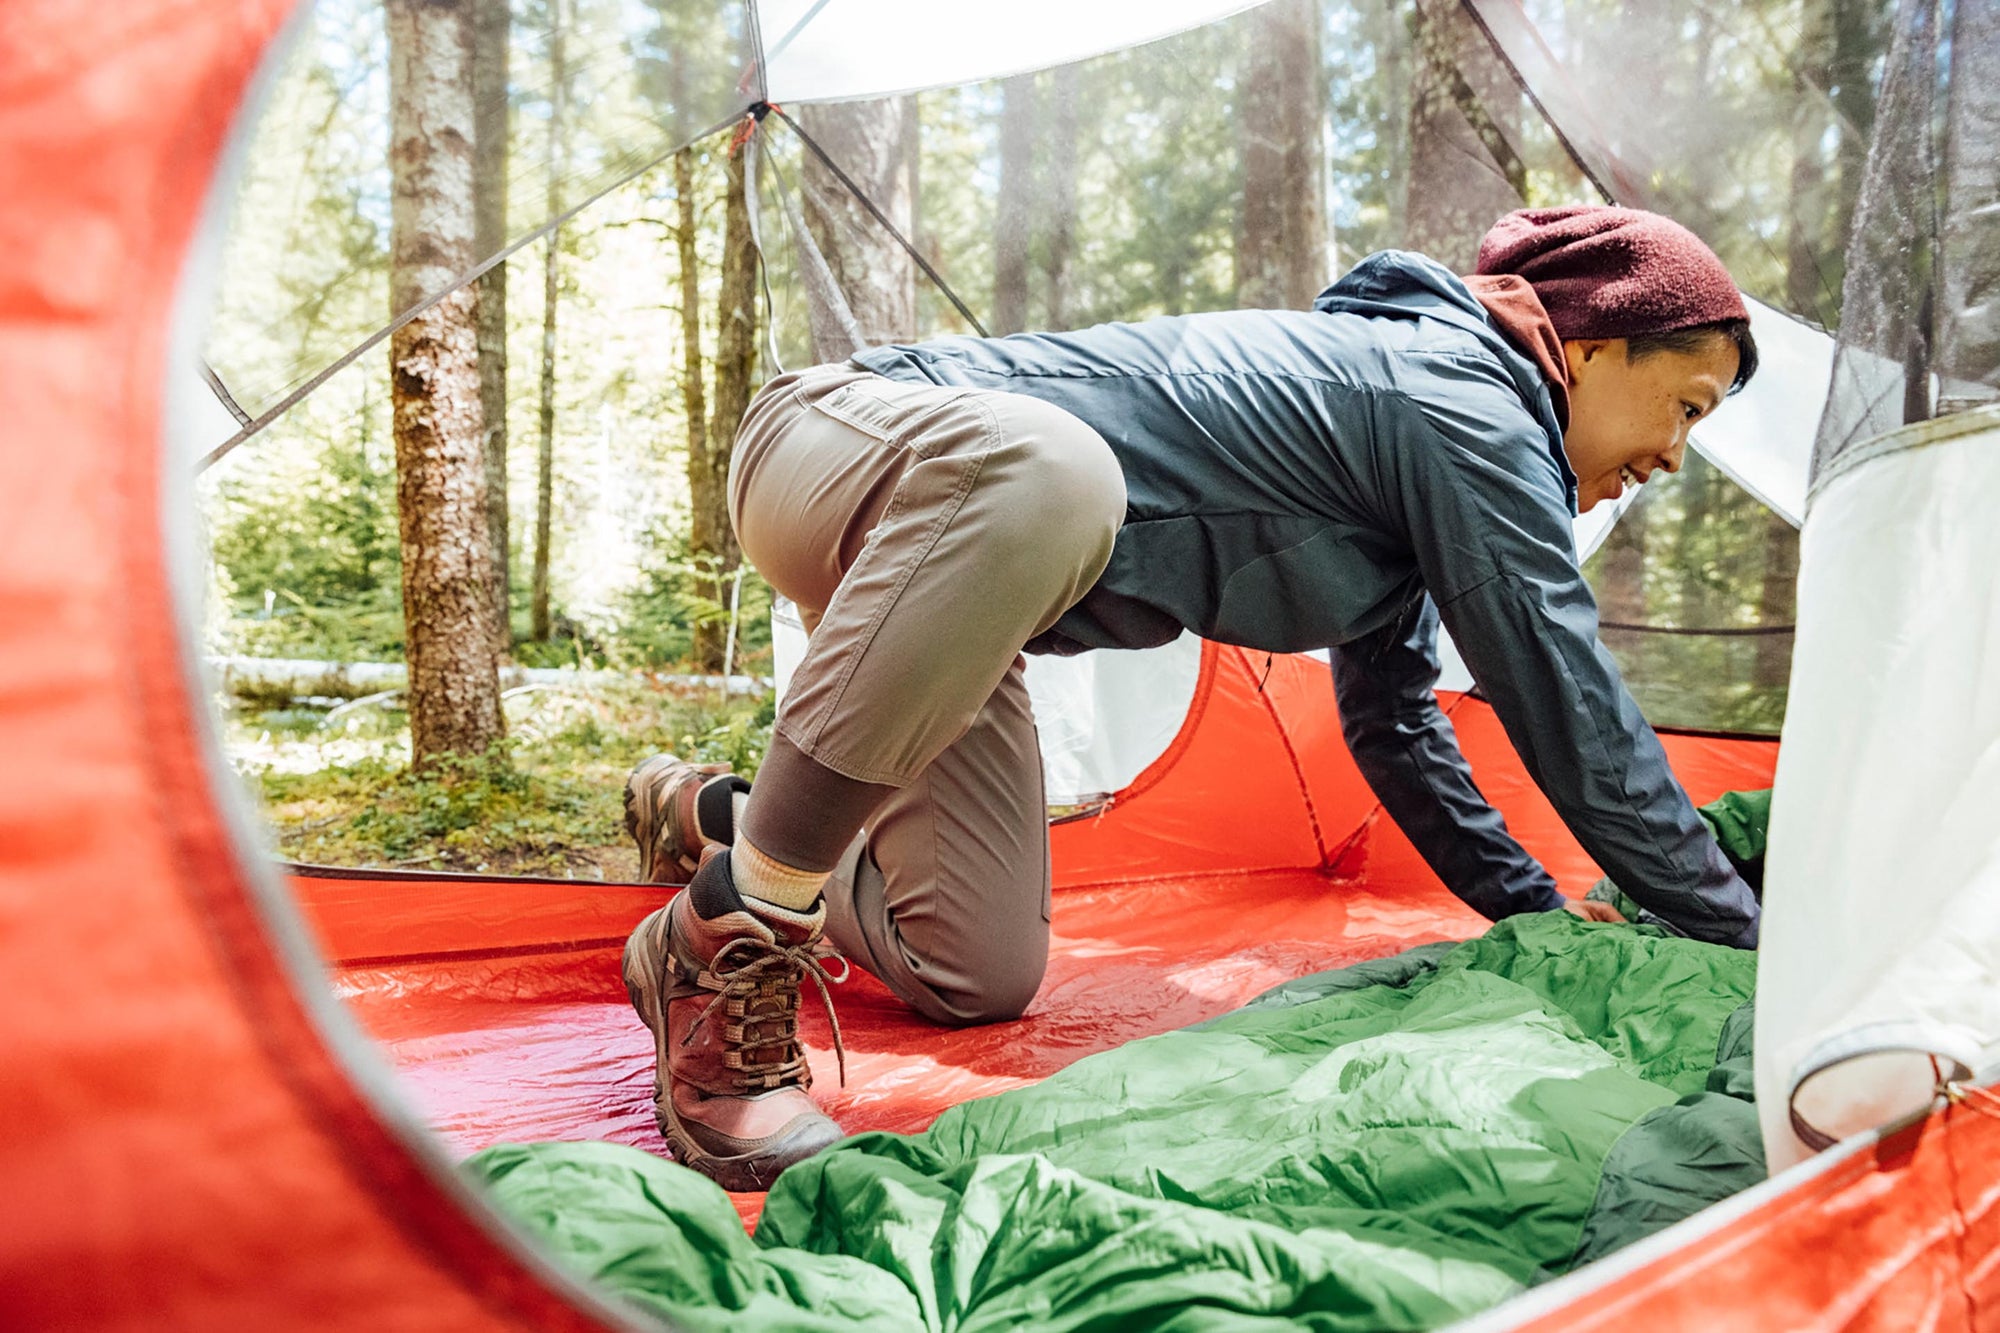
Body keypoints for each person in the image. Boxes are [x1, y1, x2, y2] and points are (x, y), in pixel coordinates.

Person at [617, 205, 1765, 1191]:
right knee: (1053, 470)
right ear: (1596, 345)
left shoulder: (1440, 472)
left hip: (947, 607)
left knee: (973, 971)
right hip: (844, 439)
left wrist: (1538, 919)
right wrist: (1746, 938)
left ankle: (720, 815)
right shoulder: (1459, 403)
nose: (1673, 457)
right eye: (1687, 408)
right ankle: (728, 926)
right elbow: (1566, 699)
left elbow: (1396, 724)